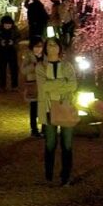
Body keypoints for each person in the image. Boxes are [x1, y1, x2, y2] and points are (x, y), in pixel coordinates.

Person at [36, 37, 77, 186]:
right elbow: (43, 87)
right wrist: (62, 83)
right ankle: (49, 175)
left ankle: (65, 175)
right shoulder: (40, 67)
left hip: (65, 106)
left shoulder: (67, 66)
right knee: (50, 144)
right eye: (49, 45)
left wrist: (53, 85)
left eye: (55, 45)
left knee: (67, 145)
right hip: (47, 108)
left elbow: (73, 85)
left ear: (60, 48)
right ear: (46, 48)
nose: (52, 48)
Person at [21, 39, 44, 137]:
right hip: (33, 84)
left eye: (40, 46)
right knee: (34, 107)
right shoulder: (28, 56)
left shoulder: (46, 56)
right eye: (36, 46)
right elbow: (23, 70)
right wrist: (33, 66)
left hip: (44, 84)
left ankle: (44, 128)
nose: (38, 49)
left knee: (44, 107)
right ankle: (34, 129)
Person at [0, 15, 21, 90]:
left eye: (9, 24)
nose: (8, 26)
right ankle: (2, 85)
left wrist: (13, 41)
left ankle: (14, 85)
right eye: (6, 24)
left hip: (12, 51)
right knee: (2, 69)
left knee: (13, 69)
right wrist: (0, 41)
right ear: (2, 24)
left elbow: (19, 37)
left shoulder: (14, 30)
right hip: (1, 51)